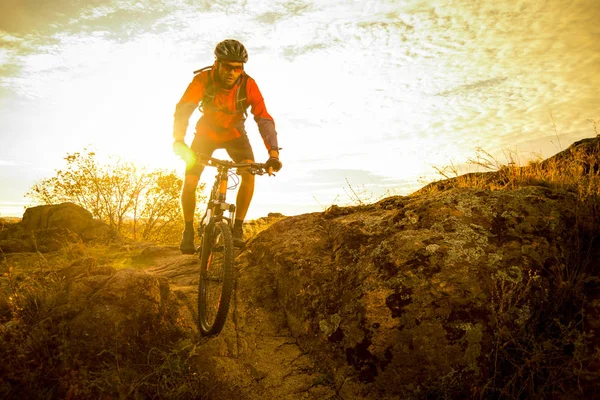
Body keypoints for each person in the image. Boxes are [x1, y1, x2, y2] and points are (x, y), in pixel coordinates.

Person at [172, 39, 282, 253]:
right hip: (206, 135)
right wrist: (179, 141)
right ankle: (187, 230)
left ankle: (237, 228)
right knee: (191, 180)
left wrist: (273, 153)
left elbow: (263, 118)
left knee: (248, 173)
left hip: (235, 135)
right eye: (227, 66)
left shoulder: (248, 85)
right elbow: (184, 109)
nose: (232, 72)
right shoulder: (203, 80)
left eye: (238, 68)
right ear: (216, 64)